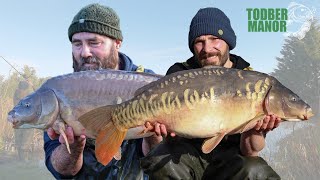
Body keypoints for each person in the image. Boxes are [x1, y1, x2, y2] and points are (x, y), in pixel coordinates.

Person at [141, 7, 282, 180]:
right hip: (184, 158)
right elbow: (157, 145)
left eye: (215, 39)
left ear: (228, 41)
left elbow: (250, 150)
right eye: (199, 41)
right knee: (159, 160)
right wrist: (154, 134)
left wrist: (255, 130)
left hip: (230, 161)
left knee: (255, 171)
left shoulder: (250, 80)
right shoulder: (179, 74)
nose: (207, 48)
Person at [43, 4, 166, 179]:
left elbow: (156, 162)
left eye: (94, 43)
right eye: (77, 44)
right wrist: (73, 147)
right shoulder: (61, 91)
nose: (85, 52)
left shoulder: (150, 84)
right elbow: (61, 169)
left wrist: (153, 135)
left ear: (117, 43)